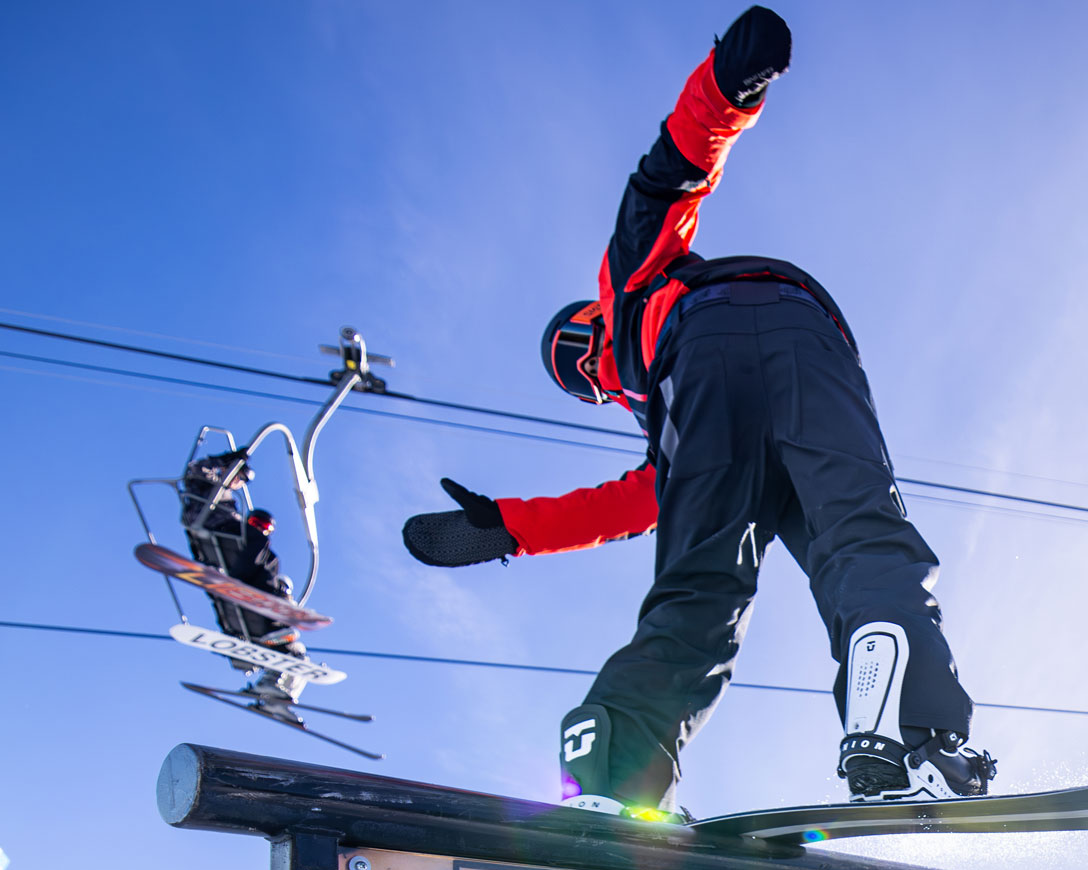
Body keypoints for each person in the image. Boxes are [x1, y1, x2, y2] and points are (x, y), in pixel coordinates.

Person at [402, 7, 994, 818]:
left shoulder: (634, 292)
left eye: (584, 369)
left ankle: (616, 771)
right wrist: (509, 526)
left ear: (588, 331)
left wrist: (726, 86)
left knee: (698, 591)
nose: (597, 381)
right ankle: (909, 730)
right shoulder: (659, 409)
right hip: (807, 344)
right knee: (860, 537)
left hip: (710, 343)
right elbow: (630, 502)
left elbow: (668, 177)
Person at [181, 451, 309, 702]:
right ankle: (275, 605)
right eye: (241, 477)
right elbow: (196, 469)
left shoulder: (224, 499)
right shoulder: (210, 489)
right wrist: (227, 460)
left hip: (226, 540)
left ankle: (276, 694)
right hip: (220, 530)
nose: (240, 483)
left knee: (296, 652)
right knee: (264, 549)